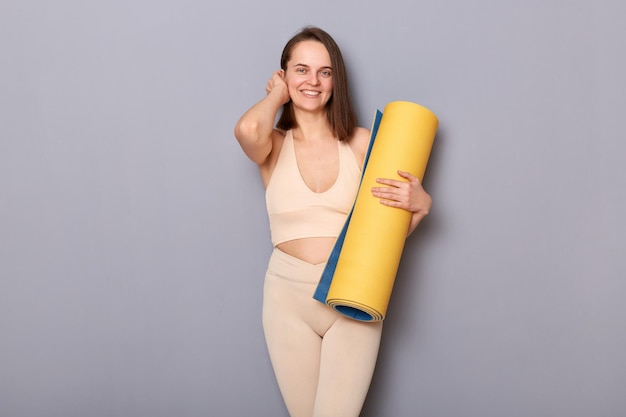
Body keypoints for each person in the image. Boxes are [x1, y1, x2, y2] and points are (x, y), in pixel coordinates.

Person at [234, 26, 432, 417]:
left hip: (351, 293)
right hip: (286, 301)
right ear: (285, 75)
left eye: (324, 72)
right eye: (301, 70)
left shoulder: (362, 142)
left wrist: (421, 206)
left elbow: (385, 234)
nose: (313, 81)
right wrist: (275, 94)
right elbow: (247, 130)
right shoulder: (272, 144)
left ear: (335, 81)